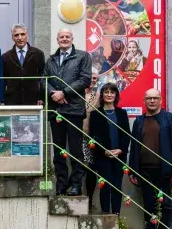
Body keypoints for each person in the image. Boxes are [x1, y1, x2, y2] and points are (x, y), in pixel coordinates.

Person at [129, 88, 172, 229]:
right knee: (149, 204)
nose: (152, 101)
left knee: (166, 204)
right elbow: (134, 147)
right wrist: (133, 169)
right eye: (148, 98)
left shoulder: (171, 119)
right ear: (144, 101)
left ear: (161, 100)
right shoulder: (138, 121)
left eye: (155, 98)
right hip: (145, 170)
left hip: (165, 170)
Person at [41, 28, 92, 196]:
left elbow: (85, 79)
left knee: (76, 150)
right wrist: (52, 94)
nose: (64, 39)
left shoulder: (83, 56)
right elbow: (44, 80)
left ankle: (76, 184)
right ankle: (61, 184)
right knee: (58, 151)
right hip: (56, 111)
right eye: (61, 36)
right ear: (57, 39)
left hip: (74, 110)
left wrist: (64, 92)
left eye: (67, 36)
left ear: (72, 38)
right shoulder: (51, 60)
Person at [89, 82, 130, 215]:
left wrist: (121, 150)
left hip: (119, 155)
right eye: (106, 92)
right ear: (102, 95)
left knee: (117, 186)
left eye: (112, 92)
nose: (109, 94)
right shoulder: (95, 114)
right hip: (102, 156)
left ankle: (116, 213)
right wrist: (103, 151)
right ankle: (106, 213)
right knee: (105, 185)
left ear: (116, 95)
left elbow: (127, 135)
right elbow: (93, 136)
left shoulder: (122, 113)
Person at [2, 24, 45, 105]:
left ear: (27, 35)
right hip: (12, 100)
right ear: (12, 38)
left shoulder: (38, 54)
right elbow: (3, 80)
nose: (20, 38)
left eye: (22, 34)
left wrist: (41, 97)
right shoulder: (6, 57)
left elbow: (42, 77)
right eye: (16, 35)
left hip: (33, 99)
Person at [83, 68, 99, 210]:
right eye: (91, 77)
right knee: (77, 165)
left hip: (91, 138)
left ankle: (89, 199)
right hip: (76, 135)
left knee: (91, 169)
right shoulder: (77, 94)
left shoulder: (98, 96)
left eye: (95, 78)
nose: (92, 80)